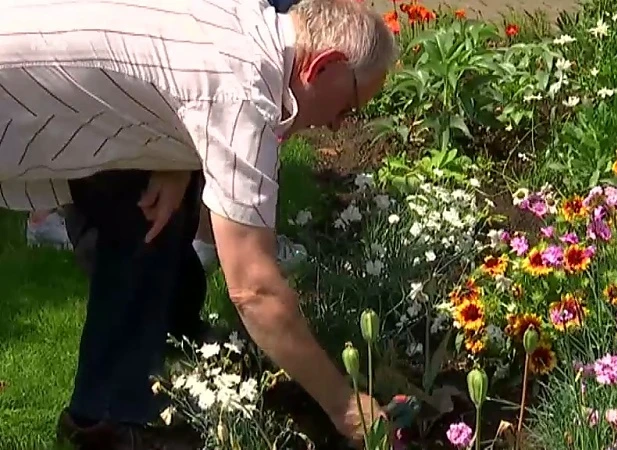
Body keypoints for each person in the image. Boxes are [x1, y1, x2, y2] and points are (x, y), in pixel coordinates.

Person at [0, 1, 397, 449]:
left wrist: (176, 158)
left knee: (145, 215)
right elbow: (254, 290)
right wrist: (346, 407)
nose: (337, 126)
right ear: (323, 66)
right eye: (349, 105)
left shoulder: (246, 20)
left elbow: (169, 68)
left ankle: (105, 419)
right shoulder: (245, 93)